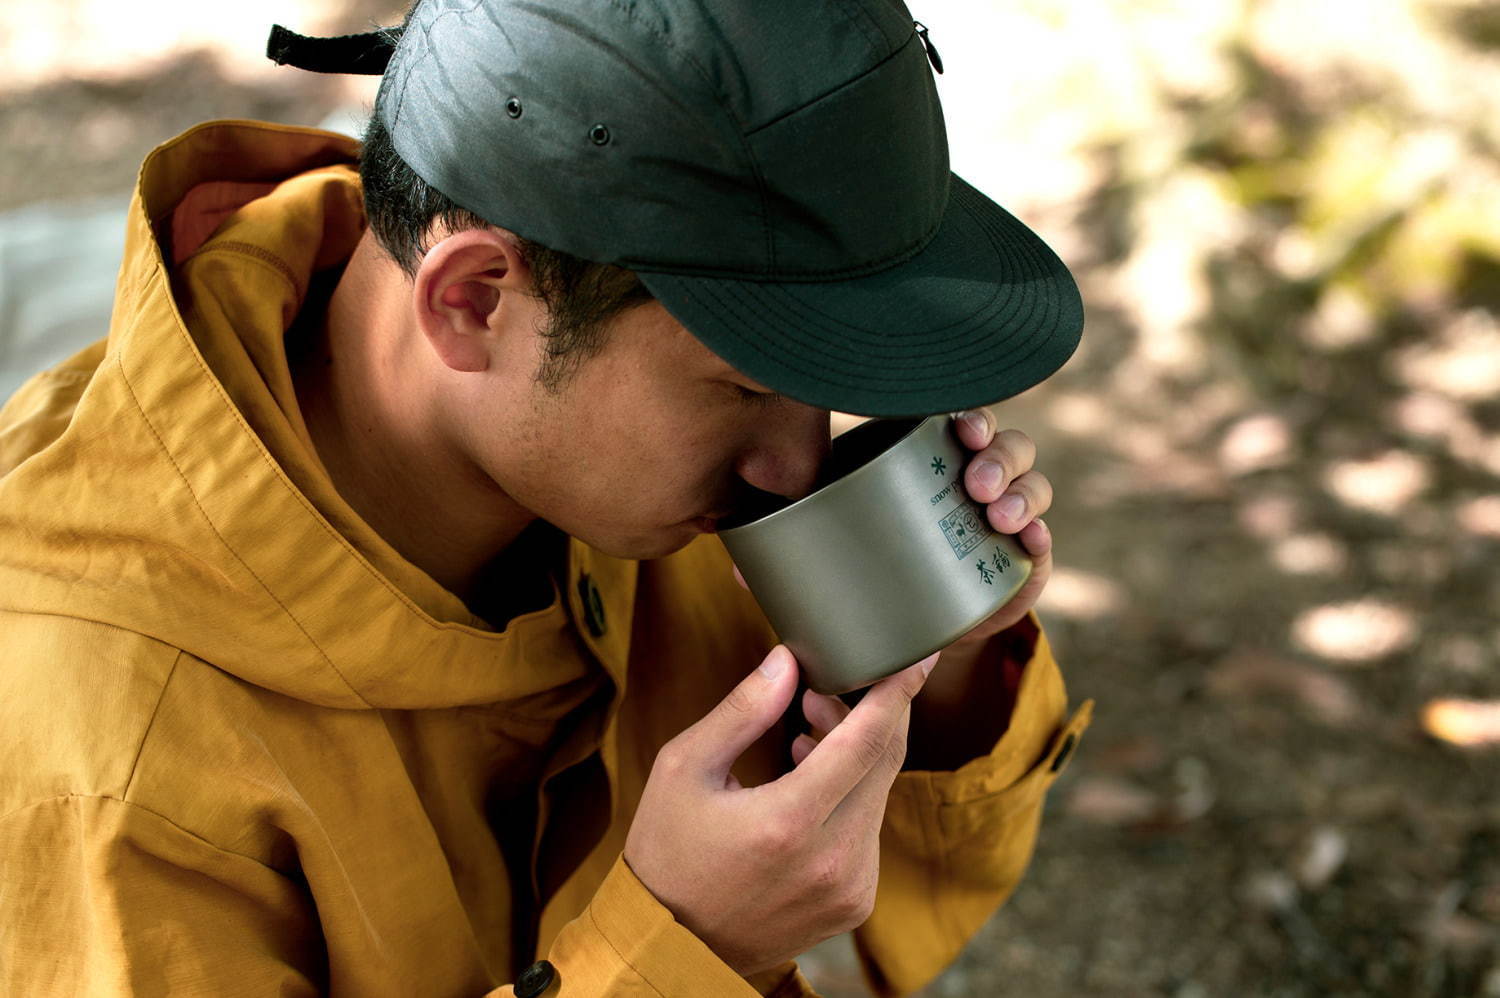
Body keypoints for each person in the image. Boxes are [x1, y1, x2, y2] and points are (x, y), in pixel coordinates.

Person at [0, 0, 1092, 995]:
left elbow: (867, 891)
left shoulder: (599, 457)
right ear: (473, 300)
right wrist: (679, 946)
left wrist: (926, 659)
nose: (795, 466)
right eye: (750, 387)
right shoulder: (101, 765)